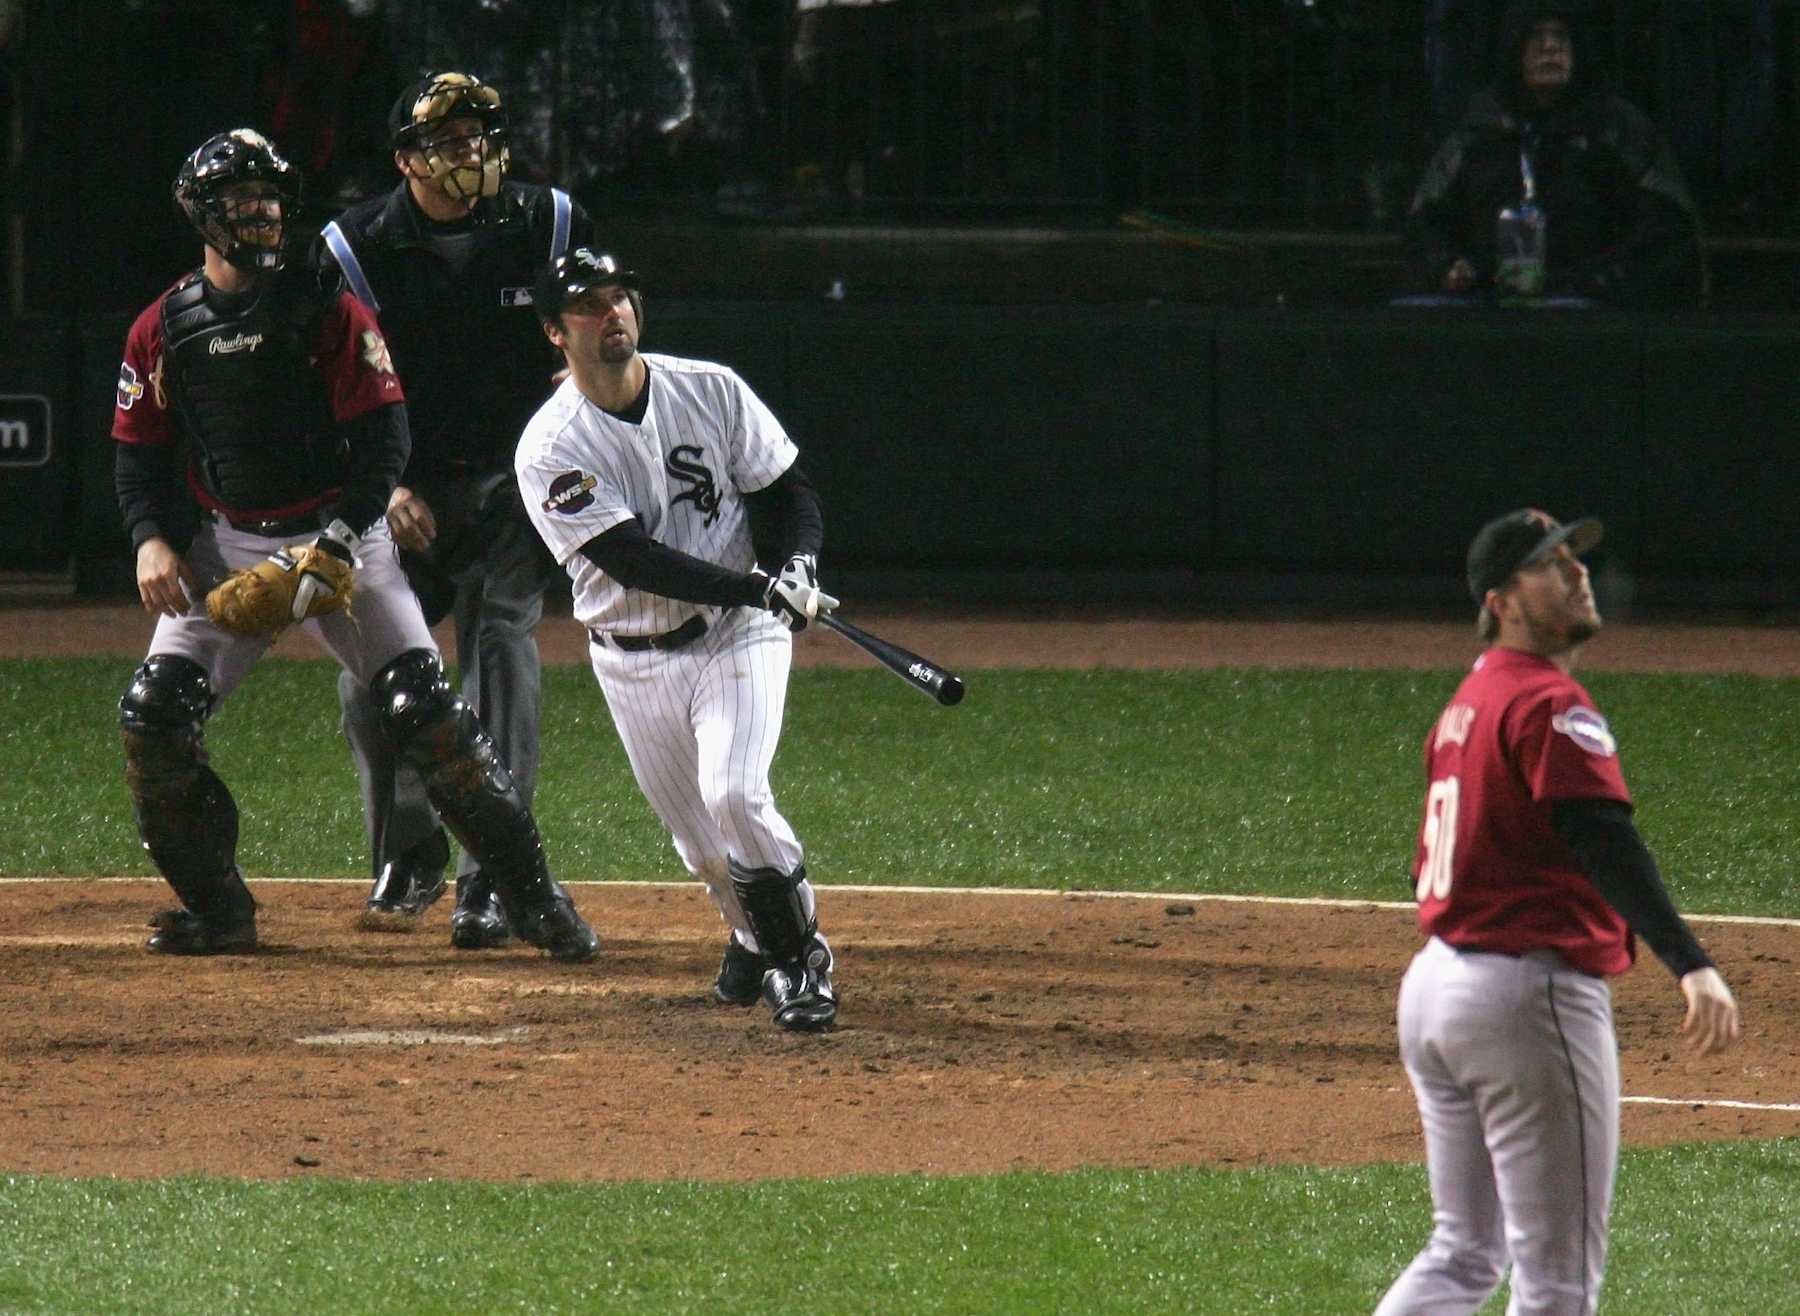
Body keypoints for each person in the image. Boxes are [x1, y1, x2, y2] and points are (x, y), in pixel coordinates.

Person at [111, 127, 599, 963]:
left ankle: (532, 899)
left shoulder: (323, 305)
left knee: (427, 715)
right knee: (152, 719)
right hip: (227, 545)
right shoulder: (162, 326)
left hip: (346, 540)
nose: (262, 213)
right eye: (242, 199)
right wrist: (152, 540)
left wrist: (341, 539)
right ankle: (220, 908)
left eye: (270, 197)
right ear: (201, 211)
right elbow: (139, 449)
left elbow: (384, 437)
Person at [1374, 508, 1740, 1315]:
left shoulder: (1469, 701)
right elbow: (1602, 838)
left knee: (1462, 1252)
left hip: (1437, 988)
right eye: (1550, 564)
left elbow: (1434, 861)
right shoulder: (1547, 702)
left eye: (1576, 559)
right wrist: (1692, 964)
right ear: (1501, 599)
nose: (1577, 573)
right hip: (1523, 999)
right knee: (1557, 1282)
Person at [514, 247, 840, 1032]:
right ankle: (749, 933)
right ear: (557, 333)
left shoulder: (710, 389)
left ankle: (801, 961)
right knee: (701, 848)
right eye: (590, 304)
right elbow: (631, 559)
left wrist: (794, 565)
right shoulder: (550, 448)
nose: (612, 312)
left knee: (735, 793)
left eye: (621, 295)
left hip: (738, 635)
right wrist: (758, 581)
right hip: (630, 658)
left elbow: (788, 490)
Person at [315, 71, 596, 948]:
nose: (471, 152)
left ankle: (494, 875)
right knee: (371, 678)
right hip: (404, 486)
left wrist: (583, 366)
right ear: (405, 160)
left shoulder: (549, 221)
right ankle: (411, 853)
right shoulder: (351, 246)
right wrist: (382, 483)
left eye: (480, 135)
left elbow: (599, 323)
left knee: (499, 642)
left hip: (521, 480)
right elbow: (320, 385)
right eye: (448, 140)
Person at [1404, 2, 1703, 310]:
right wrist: (1448, 265)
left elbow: (1668, 229)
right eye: (1535, 37)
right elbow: (1425, 222)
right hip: (1489, 304)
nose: (1550, 47)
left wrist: (1601, 280)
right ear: (1514, 48)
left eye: (1561, 36)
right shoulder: (1479, 129)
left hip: (1594, 310)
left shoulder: (1616, 128)